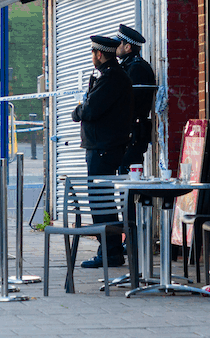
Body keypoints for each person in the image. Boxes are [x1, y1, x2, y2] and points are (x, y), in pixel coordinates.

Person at [71, 35, 133, 269]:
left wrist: (77, 112)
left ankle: (109, 252)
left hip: (103, 149)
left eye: (93, 53)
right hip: (103, 148)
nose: (92, 57)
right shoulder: (109, 77)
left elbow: (90, 109)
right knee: (103, 200)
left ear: (99, 54)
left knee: (100, 202)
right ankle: (111, 250)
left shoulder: (111, 78)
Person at [114, 24, 156, 174]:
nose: (115, 47)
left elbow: (131, 102)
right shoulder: (128, 66)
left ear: (127, 47)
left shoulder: (137, 68)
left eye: (118, 44)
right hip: (128, 131)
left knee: (130, 176)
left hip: (134, 131)